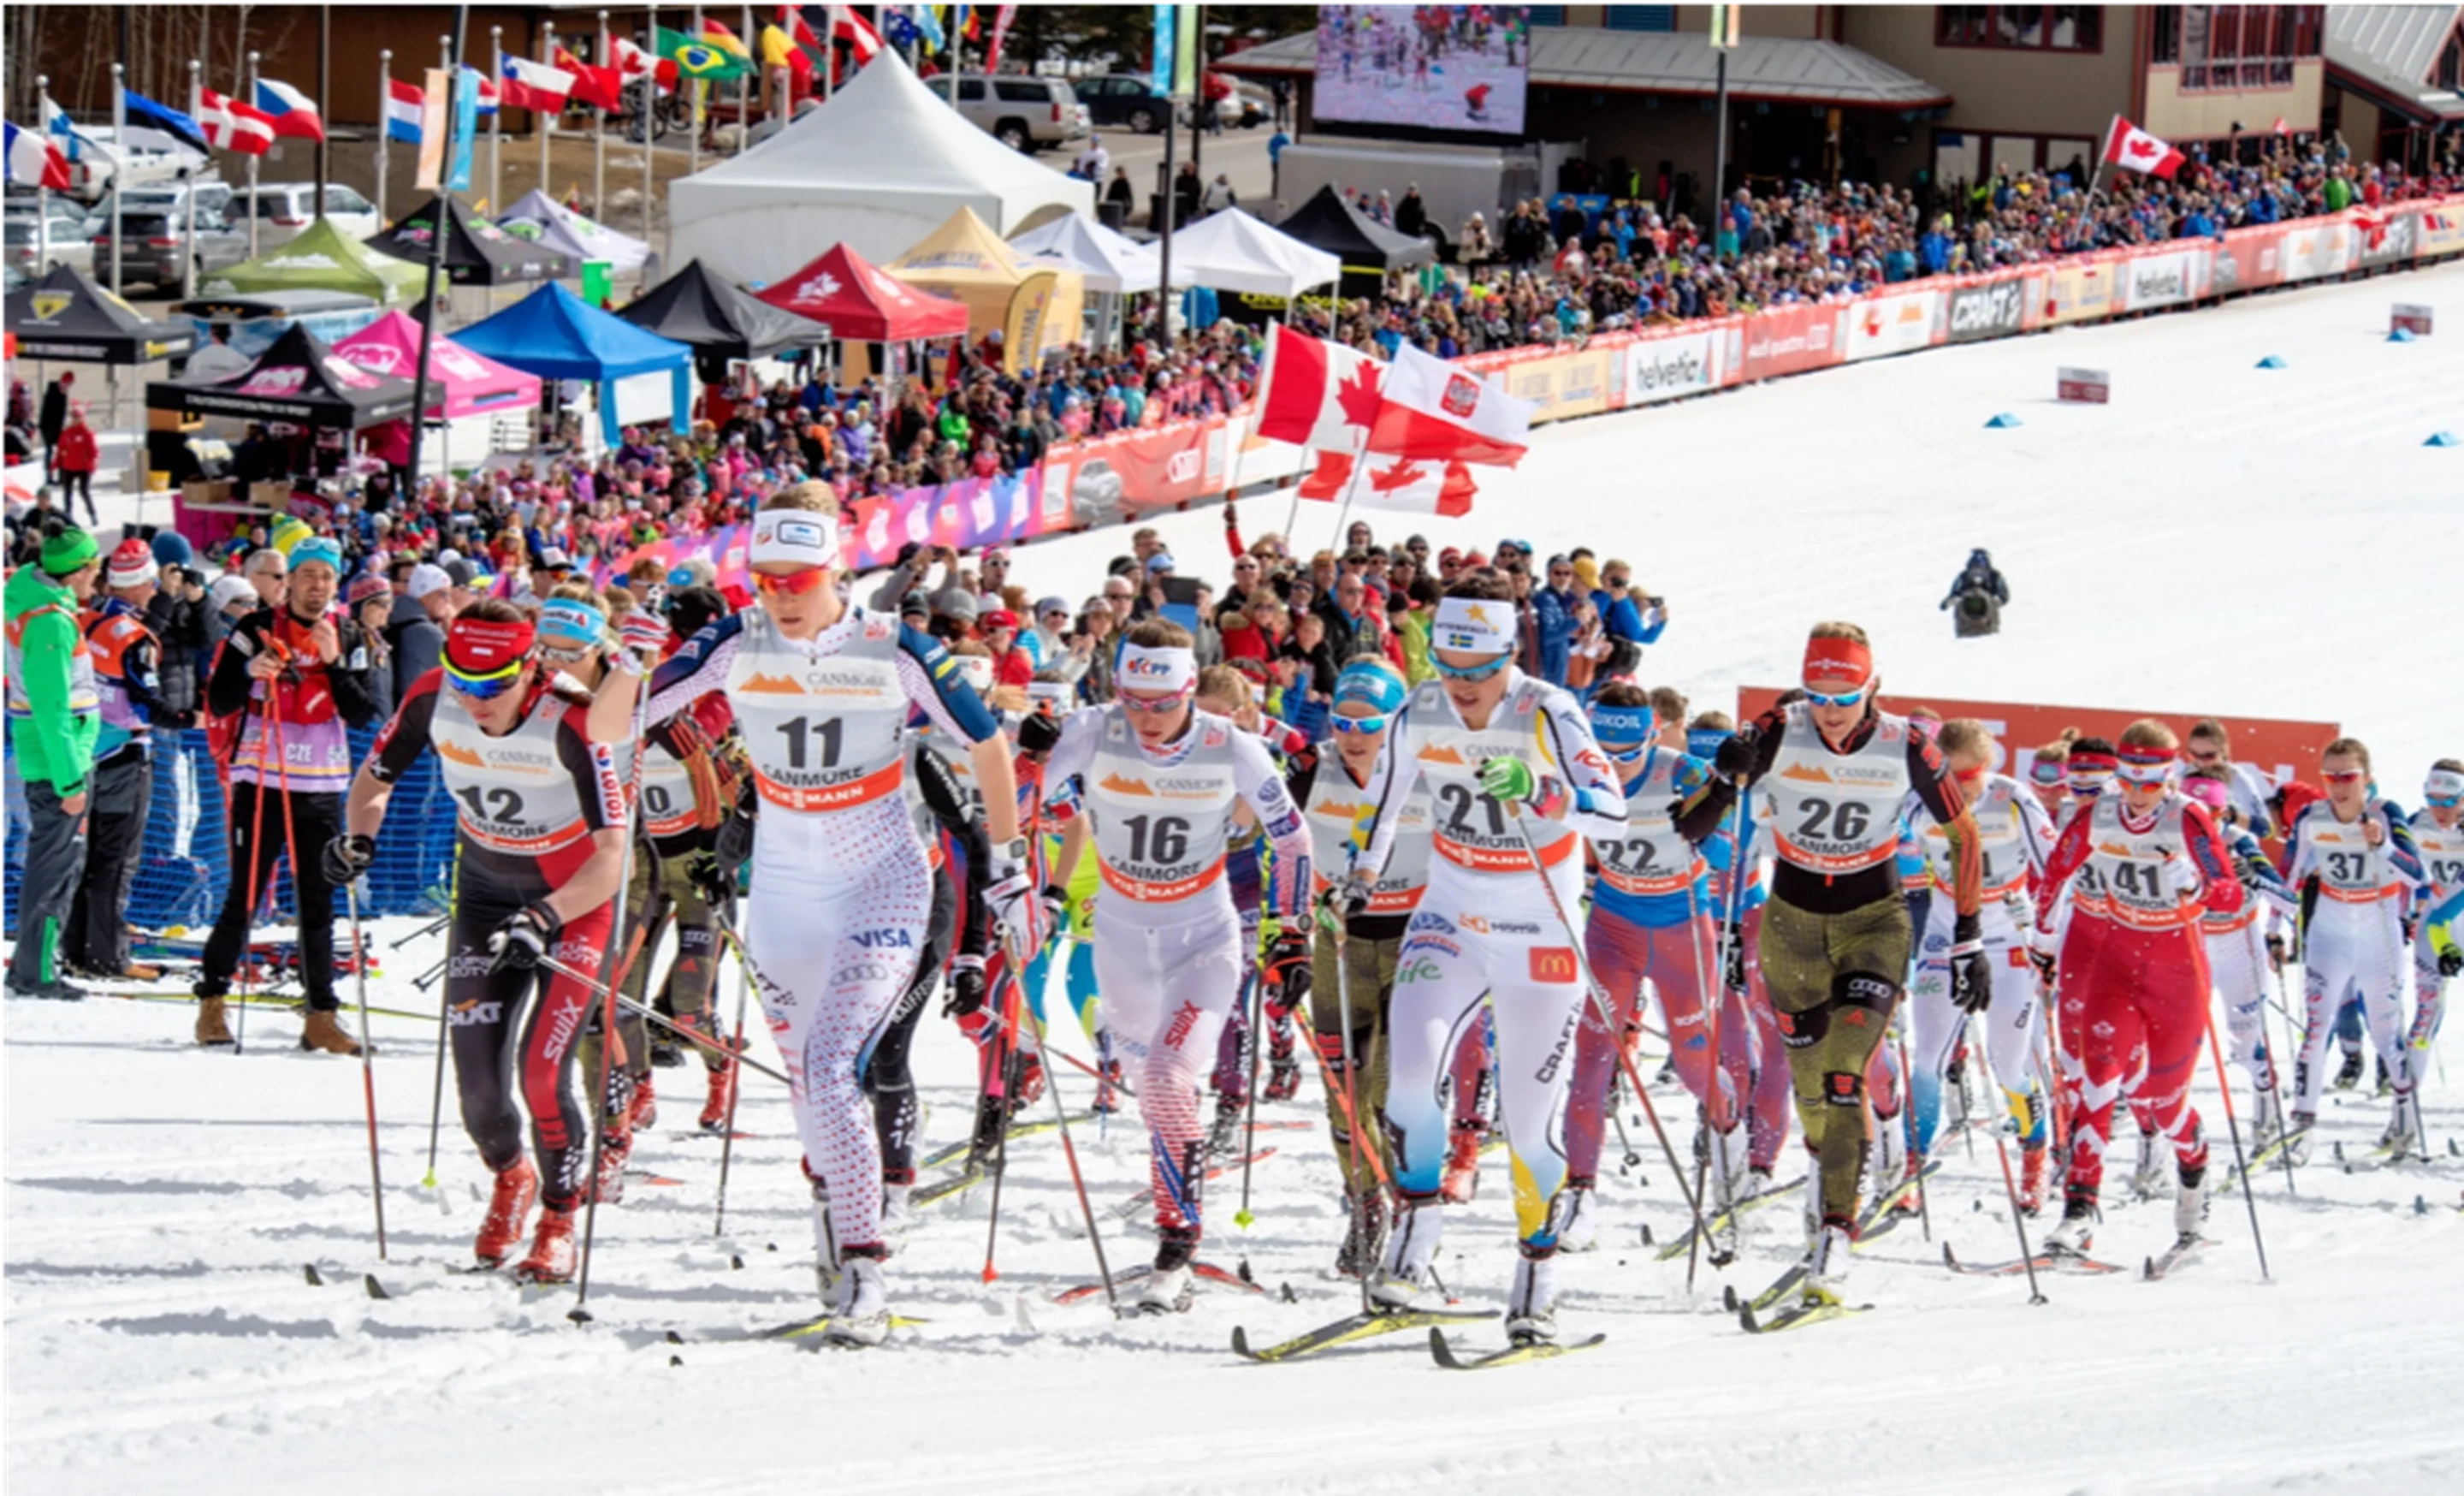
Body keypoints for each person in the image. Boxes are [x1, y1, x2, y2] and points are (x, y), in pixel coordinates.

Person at [642, 483, 1025, 1348]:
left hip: (887, 882)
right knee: (812, 1085)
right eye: (765, 576)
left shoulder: (893, 649)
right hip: (782, 890)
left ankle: (866, 1261)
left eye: (797, 576)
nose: (778, 592)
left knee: (837, 1062)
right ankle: (839, 1196)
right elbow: (639, 713)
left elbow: (982, 761)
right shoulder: (737, 641)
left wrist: (1005, 872)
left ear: (837, 569)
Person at [1345, 575, 1626, 1344]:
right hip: (1450, 918)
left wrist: (1539, 788)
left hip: (1540, 931)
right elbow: (1389, 796)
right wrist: (1363, 878)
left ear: (1508, 655)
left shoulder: (1549, 708)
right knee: (1407, 1079)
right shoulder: (1421, 708)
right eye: (1447, 667)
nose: (1460, 687)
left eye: (1477, 672)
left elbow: (1612, 809)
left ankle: (1536, 1278)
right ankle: (1414, 1242)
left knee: (1531, 1126)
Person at [1674, 622, 1982, 1307]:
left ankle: (1836, 1230)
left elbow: (1962, 832)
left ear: (1873, 687)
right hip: (1791, 921)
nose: (1831, 708)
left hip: (1875, 917)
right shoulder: (1780, 728)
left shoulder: (1907, 745)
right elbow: (1691, 827)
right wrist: (1725, 778)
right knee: (1811, 1082)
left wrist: (1969, 935)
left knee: (1845, 1070)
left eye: (1846, 694)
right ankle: (1827, 1174)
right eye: (1819, 692)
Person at [333, 603, 635, 1283]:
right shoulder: (432, 698)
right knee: (480, 1094)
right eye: (461, 684)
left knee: (542, 1075)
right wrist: (358, 840)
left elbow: (615, 857)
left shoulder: (575, 721)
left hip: (572, 904)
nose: (473, 702)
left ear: (532, 669)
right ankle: (512, 1177)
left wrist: (547, 917)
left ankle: (559, 1218)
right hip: (486, 896)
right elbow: (374, 782)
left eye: (492, 686)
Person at [1022, 619, 1313, 1314]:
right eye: (1135, 702)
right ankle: (1175, 1197)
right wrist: (1024, 759)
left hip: (1202, 942)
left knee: (1165, 1077)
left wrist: (1291, 931)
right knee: (1151, 1092)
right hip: (1121, 940)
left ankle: (1176, 1246)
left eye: (1164, 704)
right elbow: (1019, 804)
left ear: (1189, 690)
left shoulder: (1232, 745)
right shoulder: (1093, 729)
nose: (1148, 719)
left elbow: (1293, 836)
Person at [2030, 721, 2242, 1256]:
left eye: (2150, 782)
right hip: (2117, 963)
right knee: (2098, 1077)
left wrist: (2195, 883)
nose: (2137, 793)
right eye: (2128, 779)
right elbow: (2057, 870)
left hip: (2178, 976)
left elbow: (2229, 893)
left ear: (2169, 777)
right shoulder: (2099, 813)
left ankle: (2193, 1170)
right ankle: (2079, 1209)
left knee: (2162, 1105)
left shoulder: (2187, 817)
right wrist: (2042, 931)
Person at [1561, 684, 1756, 1250]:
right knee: (1593, 1056)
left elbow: (1731, 855)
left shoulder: (1682, 771)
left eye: (1627, 755)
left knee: (1697, 1069)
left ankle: (1729, 1139)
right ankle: (1579, 1194)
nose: (1613, 769)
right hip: (1613, 928)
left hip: (1680, 930)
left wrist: (1714, 808)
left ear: (1653, 736)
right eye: (1603, 753)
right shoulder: (1579, 766)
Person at [193, 537, 382, 1054]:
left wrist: (334, 662)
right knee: (245, 898)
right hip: (262, 781)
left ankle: (321, 1014)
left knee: (317, 902)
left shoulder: (346, 632)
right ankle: (212, 1001)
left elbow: (366, 712)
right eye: (307, 575)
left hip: (320, 786)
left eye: (326, 576)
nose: (317, 585)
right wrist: (250, 672)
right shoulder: (255, 629)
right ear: (289, 581)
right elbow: (219, 699)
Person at [1904, 719, 2057, 1209]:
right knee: (1927, 1056)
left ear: (1988, 767)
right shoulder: (1918, 800)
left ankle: (2035, 1153)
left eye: (1972, 776)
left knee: (2008, 1063)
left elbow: (2056, 868)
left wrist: (2053, 939)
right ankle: (1911, 1162)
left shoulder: (2013, 799)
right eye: (1951, 777)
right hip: (1945, 935)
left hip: (2007, 937)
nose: (1962, 787)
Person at [2279, 737, 2425, 1161]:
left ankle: (2404, 1119)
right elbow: (2290, 875)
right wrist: (2273, 927)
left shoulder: (2386, 814)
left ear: (2367, 778)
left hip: (2379, 933)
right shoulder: (2312, 817)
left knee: (2385, 1033)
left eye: (2348, 776)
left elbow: (2417, 875)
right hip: (2331, 930)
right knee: (2316, 1027)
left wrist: (2383, 845)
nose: (2339, 786)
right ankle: (2301, 1130)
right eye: (2331, 777)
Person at [68, 540, 181, 982]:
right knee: (116, 860)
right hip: (125, 754)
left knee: (87, 857)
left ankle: (76, 948)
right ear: (140, 585)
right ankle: (108, 956)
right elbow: (147, 698)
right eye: (152, 583)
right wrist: (191, 716)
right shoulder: (133, 634)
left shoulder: (88, 618)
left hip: (86, 749)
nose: (155, 590)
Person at [2, 524, 102, 1000]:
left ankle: (37, 961)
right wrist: (69, 781)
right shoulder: (49, 623)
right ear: (77, 572)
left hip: (62, 754)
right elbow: (51, 708)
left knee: (60, 860)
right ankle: (36, 970)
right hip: (58, 762)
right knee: (55, 865)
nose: (96, 576)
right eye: (92, 568)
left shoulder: (40, 606)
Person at [2409, 762, 2464, 1058]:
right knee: (2427, 1014)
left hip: (2454, 915)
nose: (2440, 809)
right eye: (2433, 799)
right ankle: (2404, 1092)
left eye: (2449, 802)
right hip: (2435, 922)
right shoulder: (2416, 825)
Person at [54, 404, 100, 526]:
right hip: (69, 466)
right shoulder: (67, 433)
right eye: (73, 417)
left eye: (77, 417)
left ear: (82, 418)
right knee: (67, 492)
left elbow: (93, 451)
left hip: (83, 467)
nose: (74, 419)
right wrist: (56, 464)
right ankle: (68, 516)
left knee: (84, 491)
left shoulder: (87, 433)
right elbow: (61, 449)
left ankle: (92, 514)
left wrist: (92, 464)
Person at [37, 373, 70, 480]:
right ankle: (49, 476)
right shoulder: (53, 392)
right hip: (48, 427)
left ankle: (61, 475)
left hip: (57, 427)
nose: (66, 386)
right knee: (50, 451)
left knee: (61, 451)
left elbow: (62, 413)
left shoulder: (63, 394)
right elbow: (51, 412)